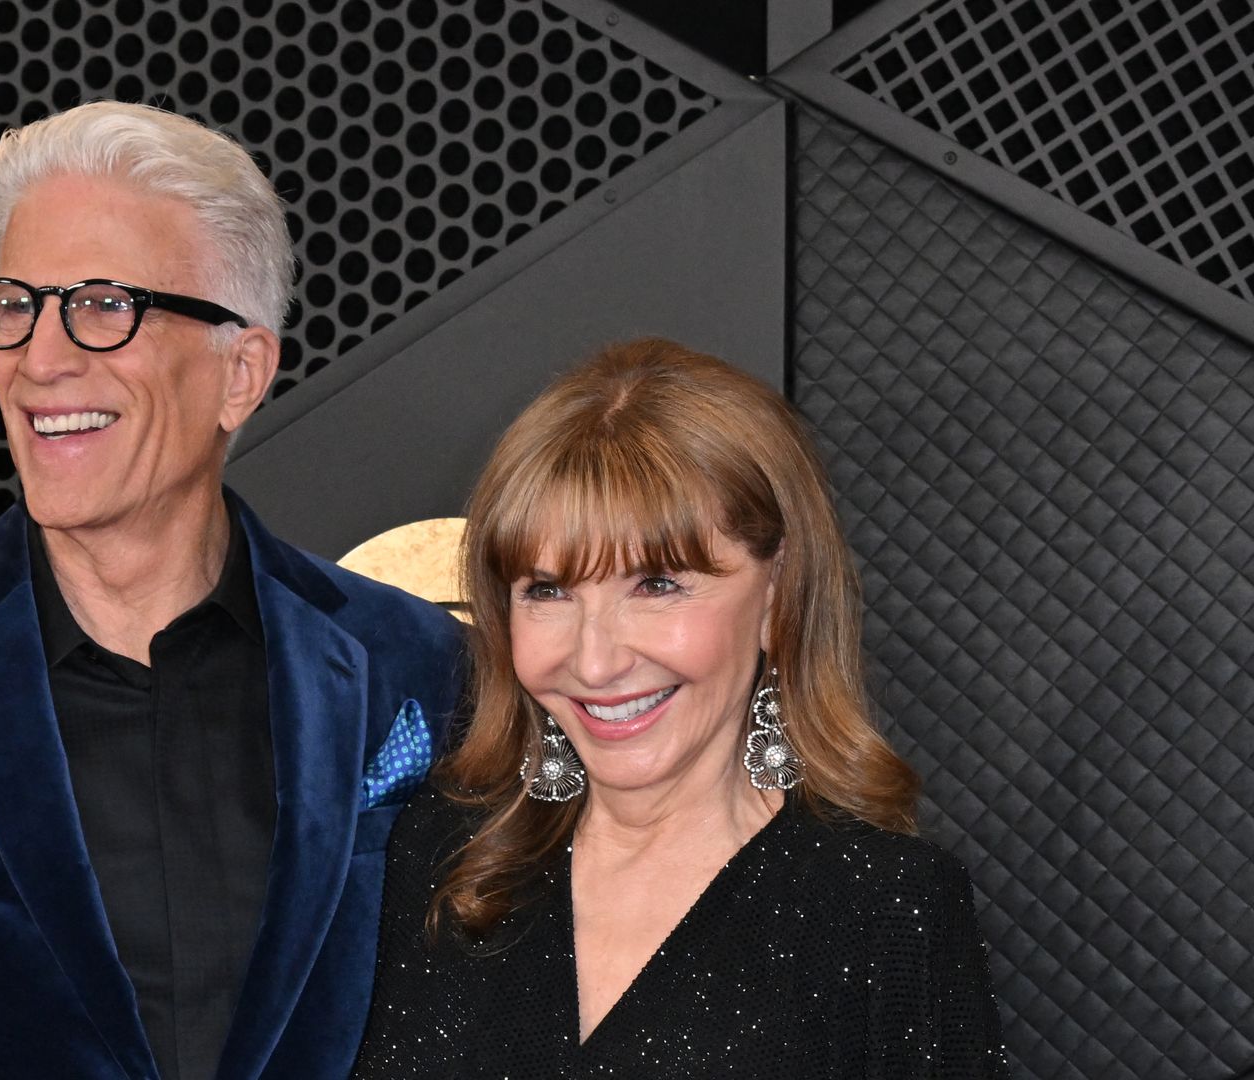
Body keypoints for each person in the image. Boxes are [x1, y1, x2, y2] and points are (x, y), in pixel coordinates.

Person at [0, 102, 465, 1080]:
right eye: (14, 306)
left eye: (104, 306)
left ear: (240, 371)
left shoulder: (417, 666)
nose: (39, 360)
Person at [352, 339, 1008, 1078]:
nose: (595, 660)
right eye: (549, 591)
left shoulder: (884, 909)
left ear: (776, 594)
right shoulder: (436, 858)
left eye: (657, 585)